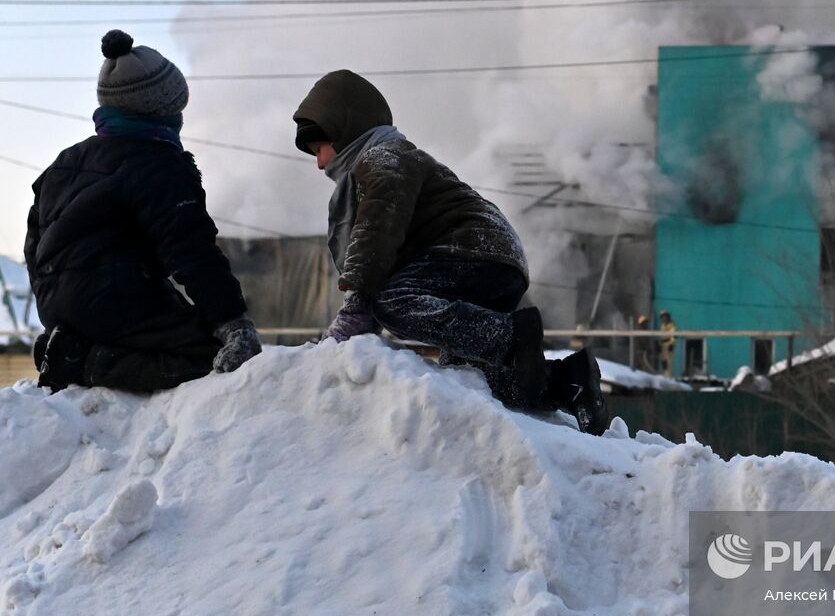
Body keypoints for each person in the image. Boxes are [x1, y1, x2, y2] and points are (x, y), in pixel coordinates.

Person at [291, 69, 608, 434]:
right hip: (487, 255)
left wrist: (359, 306)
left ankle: (511, 338)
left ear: (342, 130)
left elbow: (376, 232)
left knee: (391, 302)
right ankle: (572, 383)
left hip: (472, 249)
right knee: (475, 379)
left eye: (319, 149)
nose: (319, 163)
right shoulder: (379, 161)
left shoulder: (384, 158)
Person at [25, 31, 262, 392]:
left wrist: (56, 299)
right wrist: (232, 320)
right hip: (110, 297)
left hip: (55, 303)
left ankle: (73, 347)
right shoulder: (158, 163)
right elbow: (190, 248)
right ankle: (83, 362)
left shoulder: (65, 162)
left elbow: (34, 242)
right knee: (206, 355)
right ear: (160, 108)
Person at [659, 309, 678, 378]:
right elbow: (662, 335)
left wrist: (672, 344)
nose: (664, 318)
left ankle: (669, 376)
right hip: (663, 345)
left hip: (669, 344)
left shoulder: (672, 325)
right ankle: (665, 374)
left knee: (668, 361)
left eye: (665, 316)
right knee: (663, 361)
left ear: (668, 316)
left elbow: (674, 335)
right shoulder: (663, 325)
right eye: (662, 317)